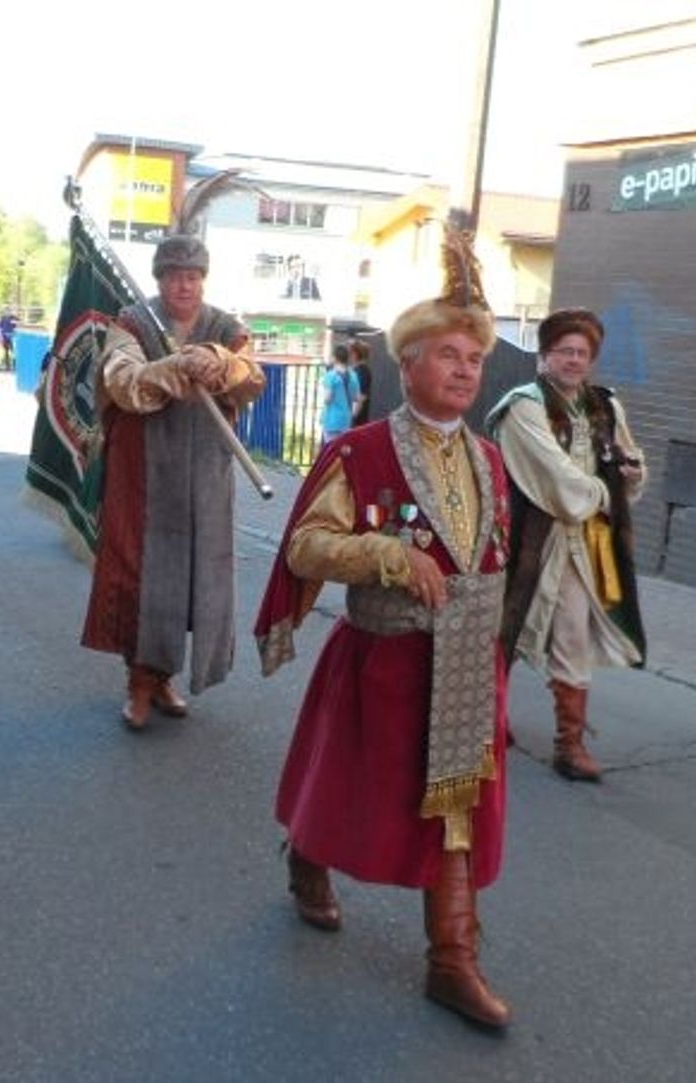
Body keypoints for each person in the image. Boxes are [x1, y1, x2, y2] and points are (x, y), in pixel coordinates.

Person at [255, 228, 514, 1028]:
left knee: (456, 806)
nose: (465, 370)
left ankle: (452, 960)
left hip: (466, 666)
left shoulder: (490, 459)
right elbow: (305, 546)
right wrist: (387, 555)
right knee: (348, 784)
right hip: (384, 660)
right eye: (449, 355)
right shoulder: (359, 451)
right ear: (408, 364)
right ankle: (308, 858)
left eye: (474, 359)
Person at [81, 231, 264, 730]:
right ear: (160, 280)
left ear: (203, 280)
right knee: (142, 577)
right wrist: (172, 367)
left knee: (195, 577)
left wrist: (221, 363)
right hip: (142, 471)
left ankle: (163, 677)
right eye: (174, 276)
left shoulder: (226, 328)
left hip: (204, 471)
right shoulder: (132, 322)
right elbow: (121, 380)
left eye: (193, 276)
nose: (184, 285)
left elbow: (251, 377)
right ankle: (139, 682)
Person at [486, 308, 647, 782]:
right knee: (501, 628)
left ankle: (570, 744)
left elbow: (629, 457)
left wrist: (631, 473)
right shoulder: (524, 407)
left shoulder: (605, 406)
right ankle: (486, 722)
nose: (574, 360)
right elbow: (556, 481)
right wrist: (608, 491)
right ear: (544, 357)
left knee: (572, 634)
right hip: (525, 537)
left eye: (582, 353)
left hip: (584, 544)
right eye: (564, 351)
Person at [318, 344, 361, 444]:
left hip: (331, 420)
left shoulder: (330, 375)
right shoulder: (353, 375)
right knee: (342, 449)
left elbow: (327, 399)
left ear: (334, 358)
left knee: (331, 449)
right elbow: (356, 398)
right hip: (345, 420)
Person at [348, 336, 374, 427]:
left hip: (357, 421)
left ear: (354, 354)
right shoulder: (357, 370)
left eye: (349, 352)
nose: (347, 356)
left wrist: (352, 419)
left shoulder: (361, 372)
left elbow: (361, 398)